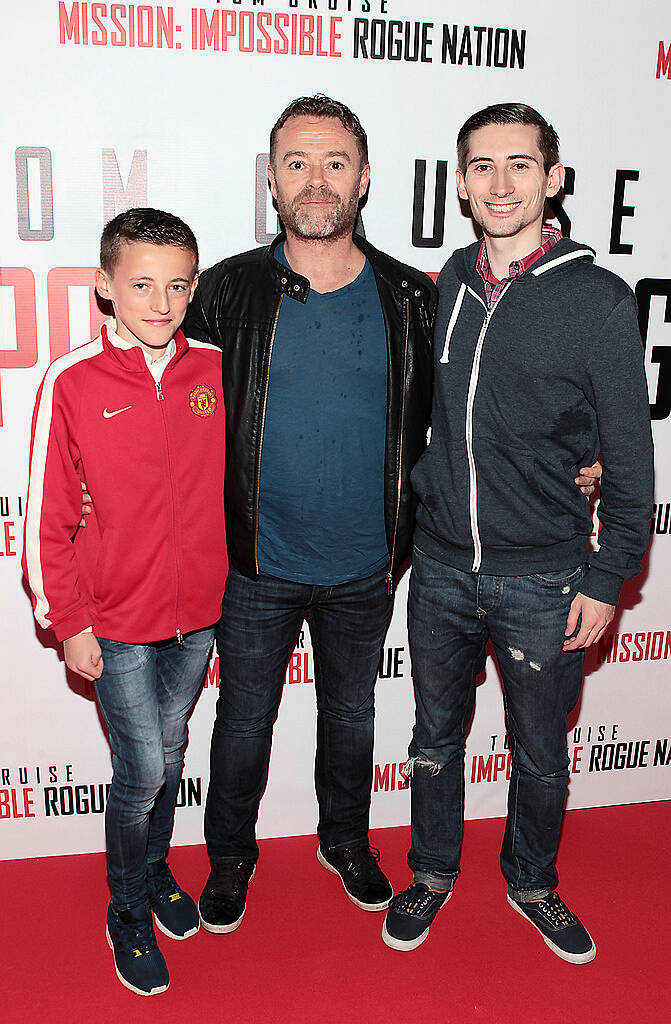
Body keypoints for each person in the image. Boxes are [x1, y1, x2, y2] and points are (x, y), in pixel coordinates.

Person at [381, 103, 654, 963]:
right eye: (482, 167)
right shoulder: (453, 275)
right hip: (441, 568)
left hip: (545, 578)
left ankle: (532, 882)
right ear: (459, 184)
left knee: (539, 752)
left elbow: (630, 460)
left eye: (519, 165)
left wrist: (608, 577)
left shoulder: (599, 300)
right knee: (433, 738)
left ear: (554, 178)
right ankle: (430, 873)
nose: (500, 184)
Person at [182, 94, 437, 931]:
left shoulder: (410, 298)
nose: (316, 180)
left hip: (366, 563)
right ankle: (229, 860)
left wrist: (570, 456)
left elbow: (471, 412)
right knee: (243, 720)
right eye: (296, 163)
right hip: (255, 563)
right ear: (271, 180)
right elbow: (146, 388)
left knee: (353, 716)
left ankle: (346, 840)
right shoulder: (223, 291)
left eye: (334, 163)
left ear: (363, 179)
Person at [23, 208, 227, 996]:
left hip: (198, 615)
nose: (161, 303)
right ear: (105, 287)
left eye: (177, 285)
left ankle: (154, 864)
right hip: (114, 620)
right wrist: (67, 623)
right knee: (142, 767)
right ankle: (128, 907)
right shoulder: (71, 379)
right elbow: (44, 516)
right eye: (142, 285)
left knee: (170, 755)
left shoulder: (211, 365)